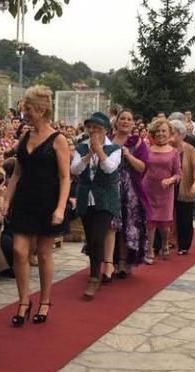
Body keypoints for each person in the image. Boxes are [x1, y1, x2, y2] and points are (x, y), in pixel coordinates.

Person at [3, 85, 70, 326]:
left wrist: (61, 208)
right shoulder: (25, 136)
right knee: (19, 251)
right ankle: (23, 301)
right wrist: (6, 199)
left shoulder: (58, 139)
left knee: (43, 253)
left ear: (41, 110)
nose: (25, 112)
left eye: (28, 108)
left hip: (47, 202)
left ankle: (44, 300)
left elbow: (65, 178)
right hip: (24, 201)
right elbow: (17, 175)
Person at [71, 112, 121, 300]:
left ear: (105, 130)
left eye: (97, 128)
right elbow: (74, 170)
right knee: (91, 239)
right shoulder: (81, 148)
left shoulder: (114, 148)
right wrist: (87, 156)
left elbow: (109, 168)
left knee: (99, 238)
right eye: (90, 127)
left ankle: (94, 277)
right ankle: (95, 268)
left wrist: (98, 150)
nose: (92, 131)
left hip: (106, 198)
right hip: (86, 197)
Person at [110, 110, 150, 274]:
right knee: (110, 226)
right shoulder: (107, 139)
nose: (125, 122)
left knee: (127, 226)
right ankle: (108, 261)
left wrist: (128, 155)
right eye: (122, 119)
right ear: (117, 121)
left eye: (129, 119)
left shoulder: (138, 142)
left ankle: (123, 262)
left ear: (133, 123)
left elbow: (143, 167)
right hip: (109, 187)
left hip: (130, 190)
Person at [142, 118, 181, 261]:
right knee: (150, 221)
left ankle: (165, 243)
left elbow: (178, 173)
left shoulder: (174, 152)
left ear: (169, 133)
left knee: (164, 224)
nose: (160, 133)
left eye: (164, 130)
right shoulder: (148, 149)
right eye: (157, 131)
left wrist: (171, 180)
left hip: (165, 192)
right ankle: (149, 250)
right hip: (148, 189)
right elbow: (142, 169)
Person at [170, 119, 195, 255]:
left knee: (185, 218)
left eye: (172, 133)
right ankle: (163, 243)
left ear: (180, 134)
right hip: (168, 189)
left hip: (185, 189)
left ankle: (184, 245)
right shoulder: (166, 148)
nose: (170, 135)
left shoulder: (189, 149)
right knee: (165, 218)